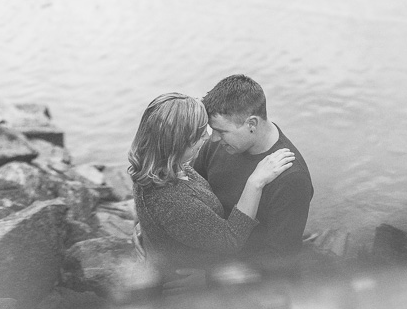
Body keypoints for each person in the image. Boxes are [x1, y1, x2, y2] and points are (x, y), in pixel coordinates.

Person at [128, 93, 295, 282]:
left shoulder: (157, 168)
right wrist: (255, 182)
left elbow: (156, 210)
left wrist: (148, 226)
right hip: (187, 282)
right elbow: (229, 239)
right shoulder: (172, 199)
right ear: (177, 144)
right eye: (200, 135)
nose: (208, 137)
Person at [193, 74, 313, 266]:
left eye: (222, 131)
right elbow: (189, 193)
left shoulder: (291, 178)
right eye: (212, 129)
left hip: (249, 285)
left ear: (252, 124)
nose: (213, 138)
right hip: (211, 259)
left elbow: (282, 256)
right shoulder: (218, 145)